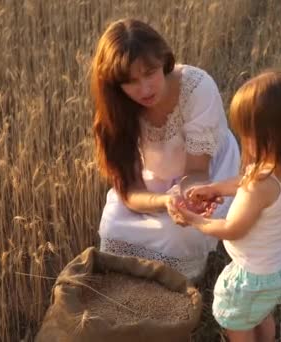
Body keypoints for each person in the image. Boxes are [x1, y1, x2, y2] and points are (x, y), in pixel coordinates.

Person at [170, 71, 281, 342]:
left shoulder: (260, 186)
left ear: (270, 137)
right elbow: (245, 179)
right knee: (261, 314)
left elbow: (231, 228)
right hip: (278, 267)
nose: (243, 140)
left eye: (247, 134)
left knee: (238, 323)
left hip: (252, 278)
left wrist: (194, 220)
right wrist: (215, 188)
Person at [90, 18, 240, 280]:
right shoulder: (118, 111)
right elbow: (131, 192)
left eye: (149, 73)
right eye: (130, 81)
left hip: (203, 176)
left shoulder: (197, 89)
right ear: (115, 84)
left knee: (179, 232)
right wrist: (165, 202)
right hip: (159, 177)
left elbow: (196, 172)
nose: (145, 89)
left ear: (164, 60)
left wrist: (186, 200)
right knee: (113, 221)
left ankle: (177, 281)